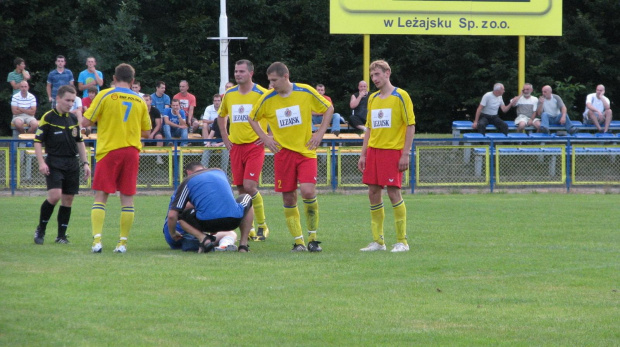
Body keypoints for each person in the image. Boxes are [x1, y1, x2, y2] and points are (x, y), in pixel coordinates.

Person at [248, 61, 334, 252]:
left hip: (305, 152)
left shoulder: (305, 91)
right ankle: (299, 242)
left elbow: (329, 108)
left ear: (285, 77)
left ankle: (313, 238)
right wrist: (265, 137)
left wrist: (320, 133)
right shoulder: (267, 98)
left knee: (308, 191)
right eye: (270, 81)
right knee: (288, 198)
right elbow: (251, 118)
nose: (271, 85)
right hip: (282, 154)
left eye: (274, 80)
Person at [82, 63, 152, 253]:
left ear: (114, 78)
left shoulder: (104, 95)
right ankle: (122, 243)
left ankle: (97, 240)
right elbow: (147, 131)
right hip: (131, 151)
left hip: (109, 149)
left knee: (101, 196)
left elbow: (87, 121)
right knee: (127, 198)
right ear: (133, 81)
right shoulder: (139, 100)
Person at [357, 60, 416, 253]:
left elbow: (410, 126)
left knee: (393, 193)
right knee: (373, 193)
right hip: (374, 151)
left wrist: (405, 153)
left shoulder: (401, 96)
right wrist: (363, 153)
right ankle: (378, 241)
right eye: (372, 76)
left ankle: (402, 241)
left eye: (377, 75)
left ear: (387, 73)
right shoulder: (372, 98)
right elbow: (369, 128)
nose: (374, 79)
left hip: (392, 152)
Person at [218, 59, 270, 241]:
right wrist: (225, 137)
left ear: (250, 73)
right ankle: (251, 228)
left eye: (241, 71)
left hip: (254, 146)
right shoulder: (229, 94)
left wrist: (266, 137)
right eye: (236, 71)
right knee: (241, 189)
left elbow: (273, 116)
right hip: (235, 147)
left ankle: (263, 225)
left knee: (249, 186)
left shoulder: (262, 94)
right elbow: (221, 116)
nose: (237, 74)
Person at [33, 85, 91, 245]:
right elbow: (37, 141)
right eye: (67, 100)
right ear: (58, 98)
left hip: (71, 163)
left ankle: (61, 236)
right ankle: (41, 230)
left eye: (73, 100)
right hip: (54, 161)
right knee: (55, 196)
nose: (70, 103)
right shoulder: (48, 117)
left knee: (68, 199)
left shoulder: (73, 119)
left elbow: (80, 141)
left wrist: (85, 163)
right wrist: (41, 162)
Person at [167, 162, 253, 253]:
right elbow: (229, 198)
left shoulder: (188, 181)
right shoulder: (220, 172)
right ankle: (243, 245)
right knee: (247, 198)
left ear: (188, 172)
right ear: (205, 168)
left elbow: (172, 215)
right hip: (233, 221)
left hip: (205, 223)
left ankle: (203, 239)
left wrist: (173, 233)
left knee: (180, 213)